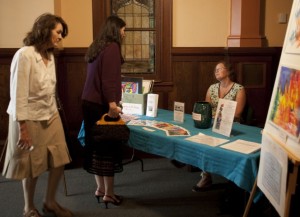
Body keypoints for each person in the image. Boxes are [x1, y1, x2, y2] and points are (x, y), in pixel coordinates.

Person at [2, 13, 73, 217]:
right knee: (31, 166)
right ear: (45, 29)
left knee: (60, 159)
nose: (60, 37)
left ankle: (50, 202)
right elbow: (18, 95)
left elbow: (50, 90)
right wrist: (22, 128)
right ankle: (28, 207)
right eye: (58, 32)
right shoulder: (24, 54)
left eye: (62, 33)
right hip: (29, 116)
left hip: (50, 115)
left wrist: (55, 114)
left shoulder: (50, 55)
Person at [81, 15, 126, 209]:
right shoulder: (112, 47)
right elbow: (108, 80)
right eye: (123, 29)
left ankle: (100, 189)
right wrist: (112, 105)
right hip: (101, 105)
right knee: (108, 149)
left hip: (88, 103)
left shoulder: (96, 46)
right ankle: (109, 194)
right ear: (115, 30)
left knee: (96, 148)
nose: (124, 33)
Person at [192, 60, 246, 192]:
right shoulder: (212, 88)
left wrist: (219, 118)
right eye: (215, 70)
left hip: (231, 125)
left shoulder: (239, 89)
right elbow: (206, 108)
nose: (216, 71)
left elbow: (238, 113)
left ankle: (232, 177)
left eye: (219, 69)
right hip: (212, 124)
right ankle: (206, 176)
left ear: (228, 71)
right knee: (201, 141)